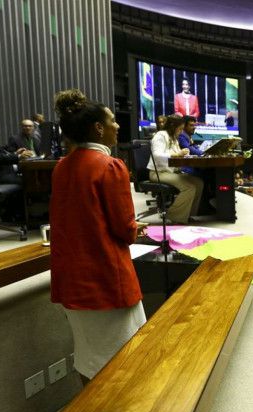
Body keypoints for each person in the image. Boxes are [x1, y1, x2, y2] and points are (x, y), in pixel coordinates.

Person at [49, 89, 148, 383]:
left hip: (72, 279)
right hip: (104, 278)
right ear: (98, 128)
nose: (118, 126)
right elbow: (123, 229)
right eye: (113, 121)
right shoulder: (110, 166)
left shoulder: (61, 167)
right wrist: (133, 228)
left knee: (88, 356)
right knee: (123, 357)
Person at [147, 115, 204, 224]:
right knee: (189, 187)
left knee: (199, 183)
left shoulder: (173, 137)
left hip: (170, 172)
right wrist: (176, 154)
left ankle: (187, 214)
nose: (181, 131)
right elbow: (156, 155)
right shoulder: (160, 135)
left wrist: (185, 155)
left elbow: (178, 155)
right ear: (173, 126)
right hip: (158, 173)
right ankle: (175, 217)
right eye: (180, 129)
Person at [0, 114, 34, 185]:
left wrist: (15, 153)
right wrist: (18, 157)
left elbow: (2, 153)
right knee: (31, 181)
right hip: (0, 176)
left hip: (8, 172)